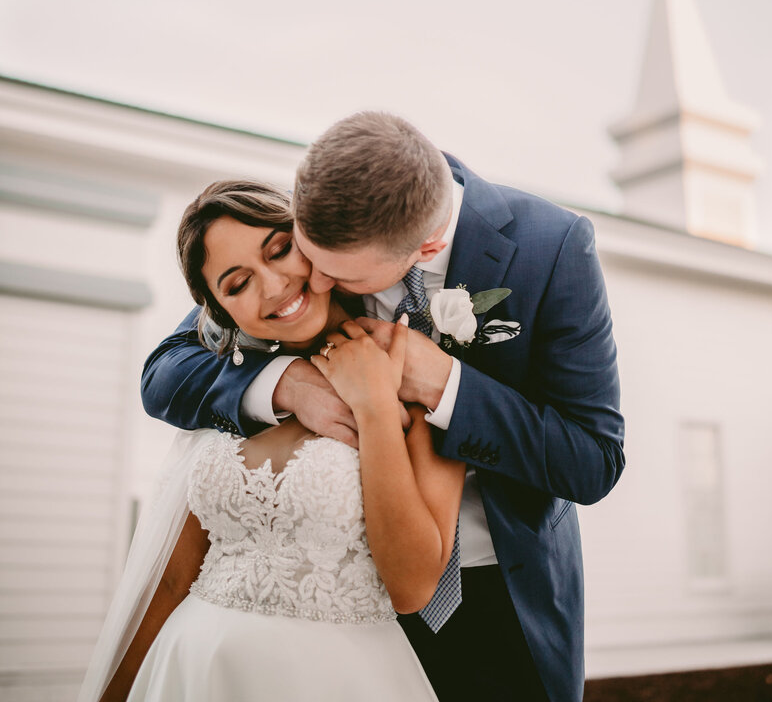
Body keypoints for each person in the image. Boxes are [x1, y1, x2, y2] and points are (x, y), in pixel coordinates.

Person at [142, 113, 626, 702]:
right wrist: (287, 382)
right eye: (304, 252)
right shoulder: (326, 221)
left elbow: (592, 459)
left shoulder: (552, 248)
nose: (308, 281)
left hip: (506, 591)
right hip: (345, 611)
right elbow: (167, 367)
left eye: (333, 272)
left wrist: (448, 384)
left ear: (424, 247)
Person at [80, 180, 464, 702]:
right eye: (237, 284)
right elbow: (172, 581)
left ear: (311, 240)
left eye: (279, 251)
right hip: (192, 669)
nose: (273, 285)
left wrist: (374, 407)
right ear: (218, 311)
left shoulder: (414, 369)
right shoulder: (230, 389)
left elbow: (412, 589)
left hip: (333, 680)